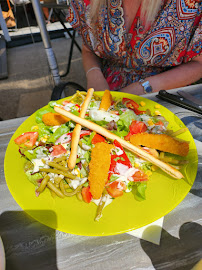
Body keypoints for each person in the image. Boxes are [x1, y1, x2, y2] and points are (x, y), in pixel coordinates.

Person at [67, 0, 202, 95]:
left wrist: (145, 87)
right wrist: (94, 76)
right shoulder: (87, 2)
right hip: (108, 93)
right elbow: (88, 49)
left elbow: (199, 63)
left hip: (168, 94)